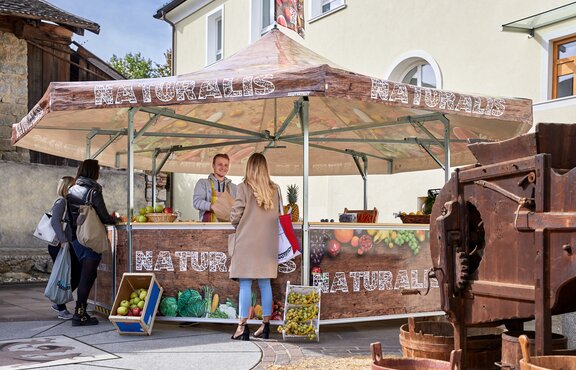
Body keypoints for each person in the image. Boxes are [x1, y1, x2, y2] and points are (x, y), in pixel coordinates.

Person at [229, 153, 279, 340]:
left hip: (247, 243)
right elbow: (280, 214)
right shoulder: (275, 189)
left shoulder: (243, 187)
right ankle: (265, 326)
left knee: (245, 285)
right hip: (268, 244)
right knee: (266, 284)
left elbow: (235, 216)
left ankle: (242, 327)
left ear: (249, 167)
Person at [67, 159, 116, 326]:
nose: (99, 172)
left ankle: (80, 312)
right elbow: (103, 216)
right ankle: (79, 315)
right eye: (98, 170)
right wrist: (114, 219)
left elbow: (69, 216)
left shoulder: (71, 189)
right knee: (87, 277)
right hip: (89, 238)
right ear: (93, 172)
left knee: (85, 275)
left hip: (75, 237)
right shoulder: (93, 191)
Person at [47, 176, 80, 320]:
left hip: (66, 244)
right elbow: (55, 222)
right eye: (73, 186)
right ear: (67, 187)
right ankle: (61, 307)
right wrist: (63, 241)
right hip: (60, 245)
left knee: (76, 273)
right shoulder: (62, 202)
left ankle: (58, 300)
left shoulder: (68, 203)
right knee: (64, 275)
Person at [193, 153, 237, 222]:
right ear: (213, 165)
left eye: (226, 165)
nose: (223, 168)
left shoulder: (234, 187)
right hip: (208, 227)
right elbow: (196, 202)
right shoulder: (203, 183)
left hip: (228, 227)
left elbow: (239, 208)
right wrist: (212, 206)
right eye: (220, 164)